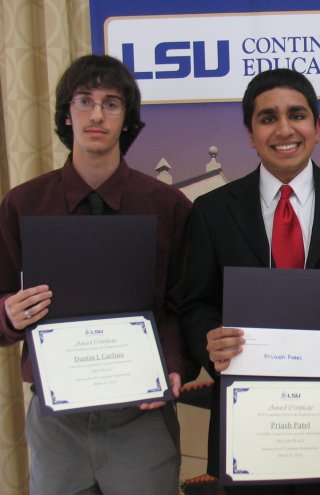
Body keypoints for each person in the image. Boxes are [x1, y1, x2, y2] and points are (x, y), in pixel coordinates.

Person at [179, 68, 320, 494]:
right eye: (268, 118)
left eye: (296, 115)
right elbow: (194, 305)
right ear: (250, 133)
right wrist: (208, 338)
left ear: (318, 127)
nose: (284, 129)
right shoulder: (211, 211)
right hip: (249, 436)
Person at [0, 54, 195, 494]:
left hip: (140, 416)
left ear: (127, 119)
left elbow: (184, 304)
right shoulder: (22, 204)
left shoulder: (168, 207)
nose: (95, 115)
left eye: (111, 104)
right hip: (56, 421)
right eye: (84, 101)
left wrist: (178, 363)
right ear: (66, 114)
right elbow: (0, 298)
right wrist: (9, 314)